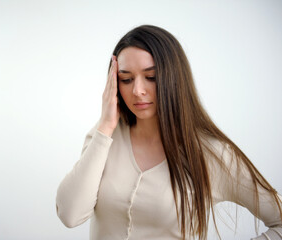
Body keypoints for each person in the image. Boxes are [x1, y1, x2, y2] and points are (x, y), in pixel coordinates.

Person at [55, 25, 282, 240]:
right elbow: (70, 215)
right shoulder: (103, 138)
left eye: (151, 77)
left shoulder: (212, 154)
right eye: (126, 79)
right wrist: (105, 127)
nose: (137, 90)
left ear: (174, 78)